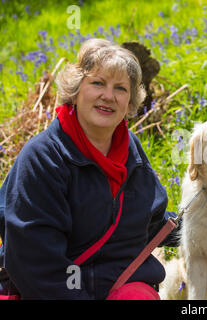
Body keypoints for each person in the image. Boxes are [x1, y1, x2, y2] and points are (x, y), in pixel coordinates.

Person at [0, 38, 180, 299]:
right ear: (75, 90)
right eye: (97, 83)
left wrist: (205, 226)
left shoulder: (130, 148)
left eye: (120, 88)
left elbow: (148, 221)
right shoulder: (42, 158)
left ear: (130, 101)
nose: (108, 96)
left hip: (119, 282)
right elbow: (34, 262)